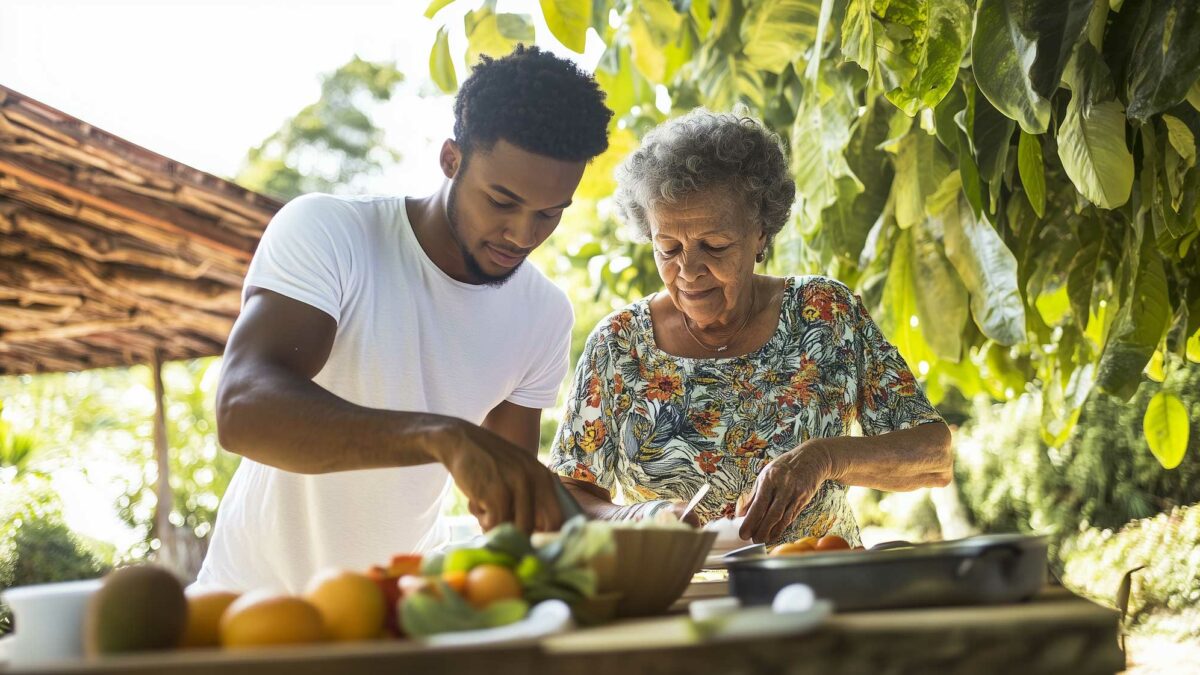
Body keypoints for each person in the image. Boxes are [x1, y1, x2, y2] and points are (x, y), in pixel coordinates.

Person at [196, 46, 612, 592]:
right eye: (502, 201)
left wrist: (626, 522)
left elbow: (510, 508)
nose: (522, 235)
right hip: (247, 614)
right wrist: (439, 436)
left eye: (549, 214)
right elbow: (243, 410)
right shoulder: (331, 234)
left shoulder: (543, 314)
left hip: (398, 620)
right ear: (451, 159)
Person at [549, 109, 952, 546]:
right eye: (668, 248)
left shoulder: (825, 314)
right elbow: (566, 496)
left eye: (715, 246)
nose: (688, 270)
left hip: (816, 583)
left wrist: (824, 458)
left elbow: (934, 457)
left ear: (760, 233)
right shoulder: (619, 345)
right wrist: (641, 516)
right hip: (674, 597)